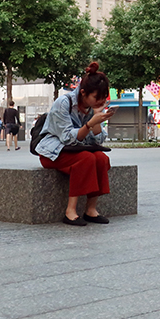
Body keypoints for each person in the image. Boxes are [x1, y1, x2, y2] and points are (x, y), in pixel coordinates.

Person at [36, 62, 116, 226]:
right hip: (53, 152)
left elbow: (99, 141)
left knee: (101, 158)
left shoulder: (92, 107)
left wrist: (97, 119)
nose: (99, 101)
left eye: (102, 99)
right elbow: (67, 138)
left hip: (75, 150)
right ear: (83, 92)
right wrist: (89, 124)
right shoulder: (63, 103)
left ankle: (91, 210)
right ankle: (70, 211)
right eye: (96, 98)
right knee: (87, 158)